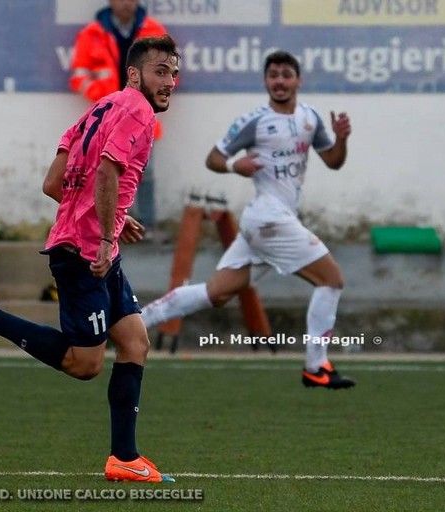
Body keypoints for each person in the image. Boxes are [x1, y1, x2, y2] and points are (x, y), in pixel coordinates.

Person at [0, 36, 180, 483]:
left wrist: (117, 218)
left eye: (174, 73)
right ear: (135, 74)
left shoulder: (95, 111)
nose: (170, 81)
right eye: (161, 71)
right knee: (84, 365)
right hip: (86, 253)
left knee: (136, 343)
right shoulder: (138, 111)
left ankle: (124, 458)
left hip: (95, 244)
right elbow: (106, 171)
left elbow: (54, 183)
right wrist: (104, 234)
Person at [142, 50, 356, 390]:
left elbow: (333, 161)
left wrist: (341, 139)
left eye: (286, 74)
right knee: (331, 280)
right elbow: (214, 158)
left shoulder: (310, 119)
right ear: (266, 81)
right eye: (273, 75)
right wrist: (233, 166)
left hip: (270, 222)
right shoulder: (254, 121)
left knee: (217, 293)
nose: (280, 81)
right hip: (268, 219)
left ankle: (138, 322)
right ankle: (316, 365)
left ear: (298, 80)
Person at [69, 0, 168, 230]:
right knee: (104, 172)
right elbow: (78, 76)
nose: (125, 2)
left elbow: (170, 72)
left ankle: (147, 227)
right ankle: (108, 226)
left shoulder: (154, 31)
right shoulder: (91, 33)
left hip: (142, 115)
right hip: (107, 118)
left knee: (145, 172)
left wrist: (150, 99)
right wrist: (103, 98)